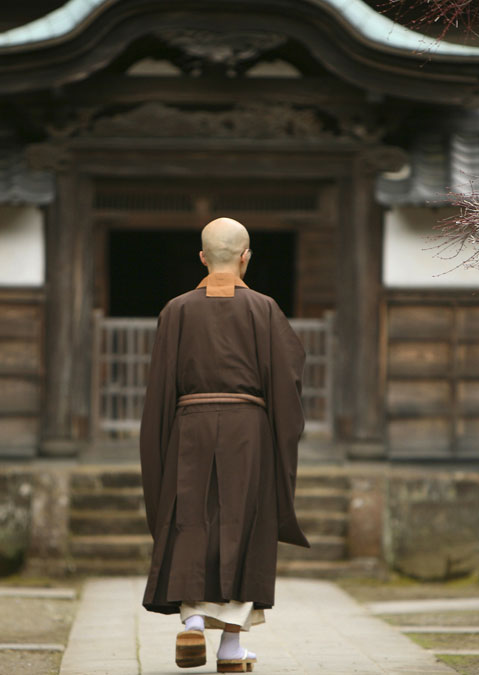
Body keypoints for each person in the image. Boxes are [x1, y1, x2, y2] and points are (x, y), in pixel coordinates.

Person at [139, 217, 310, 673]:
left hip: (189, 427)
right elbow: (287, 378)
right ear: (245, 256)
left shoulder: (175, 310)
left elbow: (159, 387)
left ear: (202, 257)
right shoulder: (264, 309)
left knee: (190, 518)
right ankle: (231, 648)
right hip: (247, 430)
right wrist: (280, 433)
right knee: (243, 523)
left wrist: (160, 442)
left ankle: (193, 623)